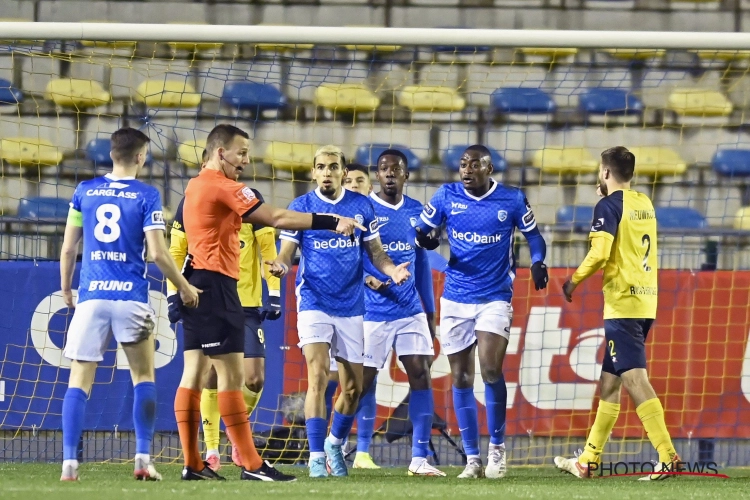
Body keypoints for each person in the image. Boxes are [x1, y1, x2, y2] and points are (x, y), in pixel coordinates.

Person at [173, 126, 364, 482]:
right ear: (220, 153)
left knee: (194, 375)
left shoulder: (195, 185)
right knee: (232, 378)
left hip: (197, 283)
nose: (246, 160)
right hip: (219, 288)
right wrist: (331, 220)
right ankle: (251, 463)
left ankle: (193, 463)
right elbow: (276, 218)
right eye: (241, 152)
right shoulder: (224, 187)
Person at [59, 128, 200, 482]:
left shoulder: (84, 192)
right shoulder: (147, 195)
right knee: (143, 376)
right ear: (141, 156)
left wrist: (66, 288)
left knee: (79, 378)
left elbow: (68, 248)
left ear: (111, 154)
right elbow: (157, 253)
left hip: (91, 296)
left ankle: (69, 465)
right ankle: (141, 458)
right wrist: (184, 286)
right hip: (130, 297)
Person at [267, 145, 411, 478]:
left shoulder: (362, 207)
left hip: (351, 306)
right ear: (313, 172)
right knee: (317, 377)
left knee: (353, 389)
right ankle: (316, 456)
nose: (327, 172)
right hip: (314, 302)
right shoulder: (301, 207)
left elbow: (376, 253)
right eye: (321, 167)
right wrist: (280, 265)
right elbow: (287, 252)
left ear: (343, 172)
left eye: (333, 166)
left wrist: (392, 272)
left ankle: (334, 442)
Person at [414, 145, 549, 479]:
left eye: (474, 165)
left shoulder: (512, 199)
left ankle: (498, 449)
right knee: (460, 377)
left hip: (494, 297)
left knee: (490, 369)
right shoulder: (446, 195)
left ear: (489, 169)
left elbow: (534, 237)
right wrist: (427, 240)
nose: (466, 169)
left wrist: (537, 261)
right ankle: (473, 459)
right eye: (462, 164)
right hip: (456, 297)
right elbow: (420, 232)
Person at [555, 146, 680, 481]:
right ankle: (587, 461)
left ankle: (667, 455)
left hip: (622, 303)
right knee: (609, 383)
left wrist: (573, 281)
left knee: (634, 378)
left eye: (600, 170)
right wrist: (608, 198)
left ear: (605, 172)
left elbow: (600, 253)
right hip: (646, 301)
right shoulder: (644, 202)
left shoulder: (608, 205)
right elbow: (623, 222)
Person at [166, 151, 281, 471]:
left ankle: (235, 435)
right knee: (208, 376)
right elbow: (176, 249)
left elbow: (267, 247)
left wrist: (273, 291)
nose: (242, 161)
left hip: (245, 302)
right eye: (239, 154)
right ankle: (215, 449)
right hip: (207, 297)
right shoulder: (193, 197)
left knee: (254, 378)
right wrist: (172, 294)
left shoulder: (249, 198)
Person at [360, 149, 443, 476]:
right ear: (377, 175)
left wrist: (430, 312)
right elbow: (353, 258)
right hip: (373, 311)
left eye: (396, 169)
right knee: (361, 384)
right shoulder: (363, 209)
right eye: (383, 169)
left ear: (406, 175)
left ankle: (419, 459)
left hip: (410, 310)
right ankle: (343, 447)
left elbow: (422, 267)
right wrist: (370, 280)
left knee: (421, 376)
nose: (390, 173)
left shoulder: (418, 213)